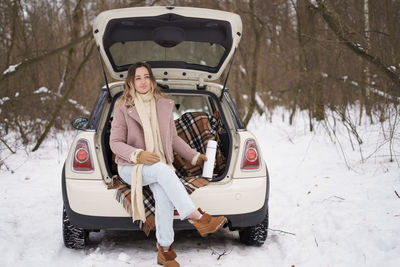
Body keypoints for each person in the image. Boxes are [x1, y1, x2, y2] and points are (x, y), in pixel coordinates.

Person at [109, 62, 227, 267]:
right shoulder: (122, 106)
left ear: (152, 80)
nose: (143, 81)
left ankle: (164, 251)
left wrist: (194, 157)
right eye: (138, 78)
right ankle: (196, 216)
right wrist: (138, 155)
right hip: (131, 167)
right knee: (163, 171)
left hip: (159, 167)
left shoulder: (163, 105)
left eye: (146, 77)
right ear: (131, 82)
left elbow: (172, 139)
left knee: (163, 193)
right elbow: (115, 143)